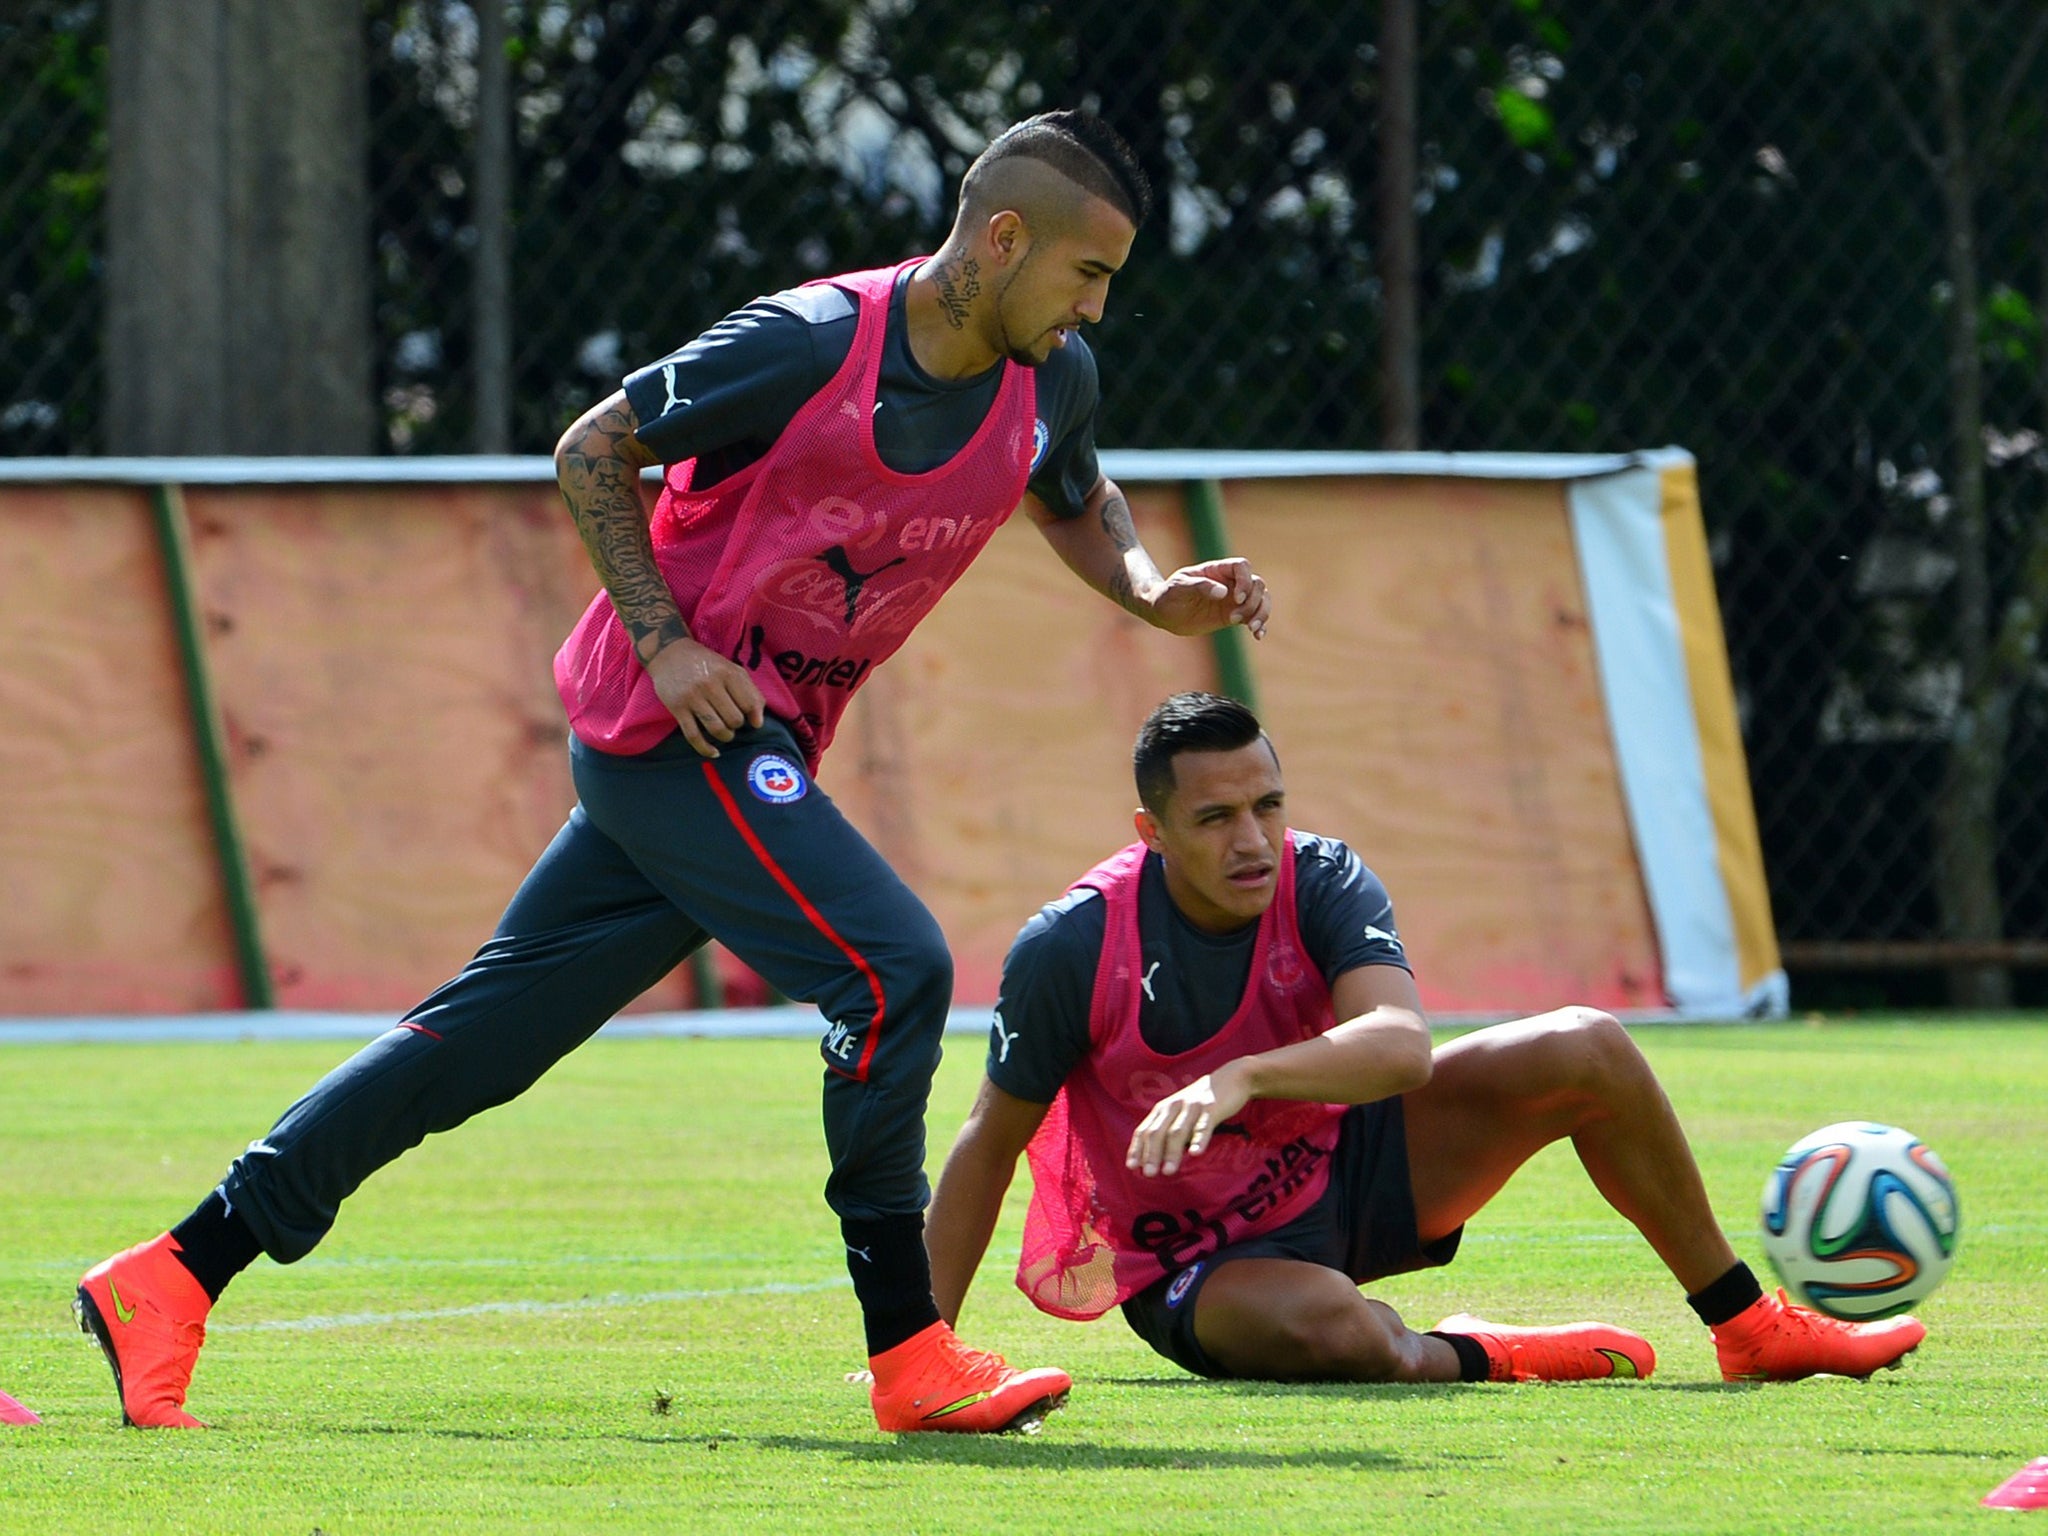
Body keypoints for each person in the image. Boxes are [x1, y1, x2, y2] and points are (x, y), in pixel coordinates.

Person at [74, 111, 1272, 1436]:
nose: (1096, 305)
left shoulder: (1055, 375)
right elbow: (594, 447)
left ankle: (172, 1274)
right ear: (1000, 239)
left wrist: (1153, 590)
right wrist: (667, 641)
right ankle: (908, 1351)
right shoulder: (811, 342)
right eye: (1087, 274)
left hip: (746, 750)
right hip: (676, 734)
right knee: (896, 970)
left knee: (476, 1045)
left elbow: (1073, 492)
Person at [925, 692, 1927, 1386]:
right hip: (1197, 1259)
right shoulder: (1070, 945)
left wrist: (1241, 1076)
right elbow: (987, 1139)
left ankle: (1747, 1328)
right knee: (1342, 1337)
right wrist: (921, 1346)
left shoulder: (1318, 877)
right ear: (1149, 832)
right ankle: (1480, 1353)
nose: (1251, 840)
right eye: (1215, 817)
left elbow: (1401, 1046)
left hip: (1345, 1167)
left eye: (1267, 806)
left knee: (1587, 1046)